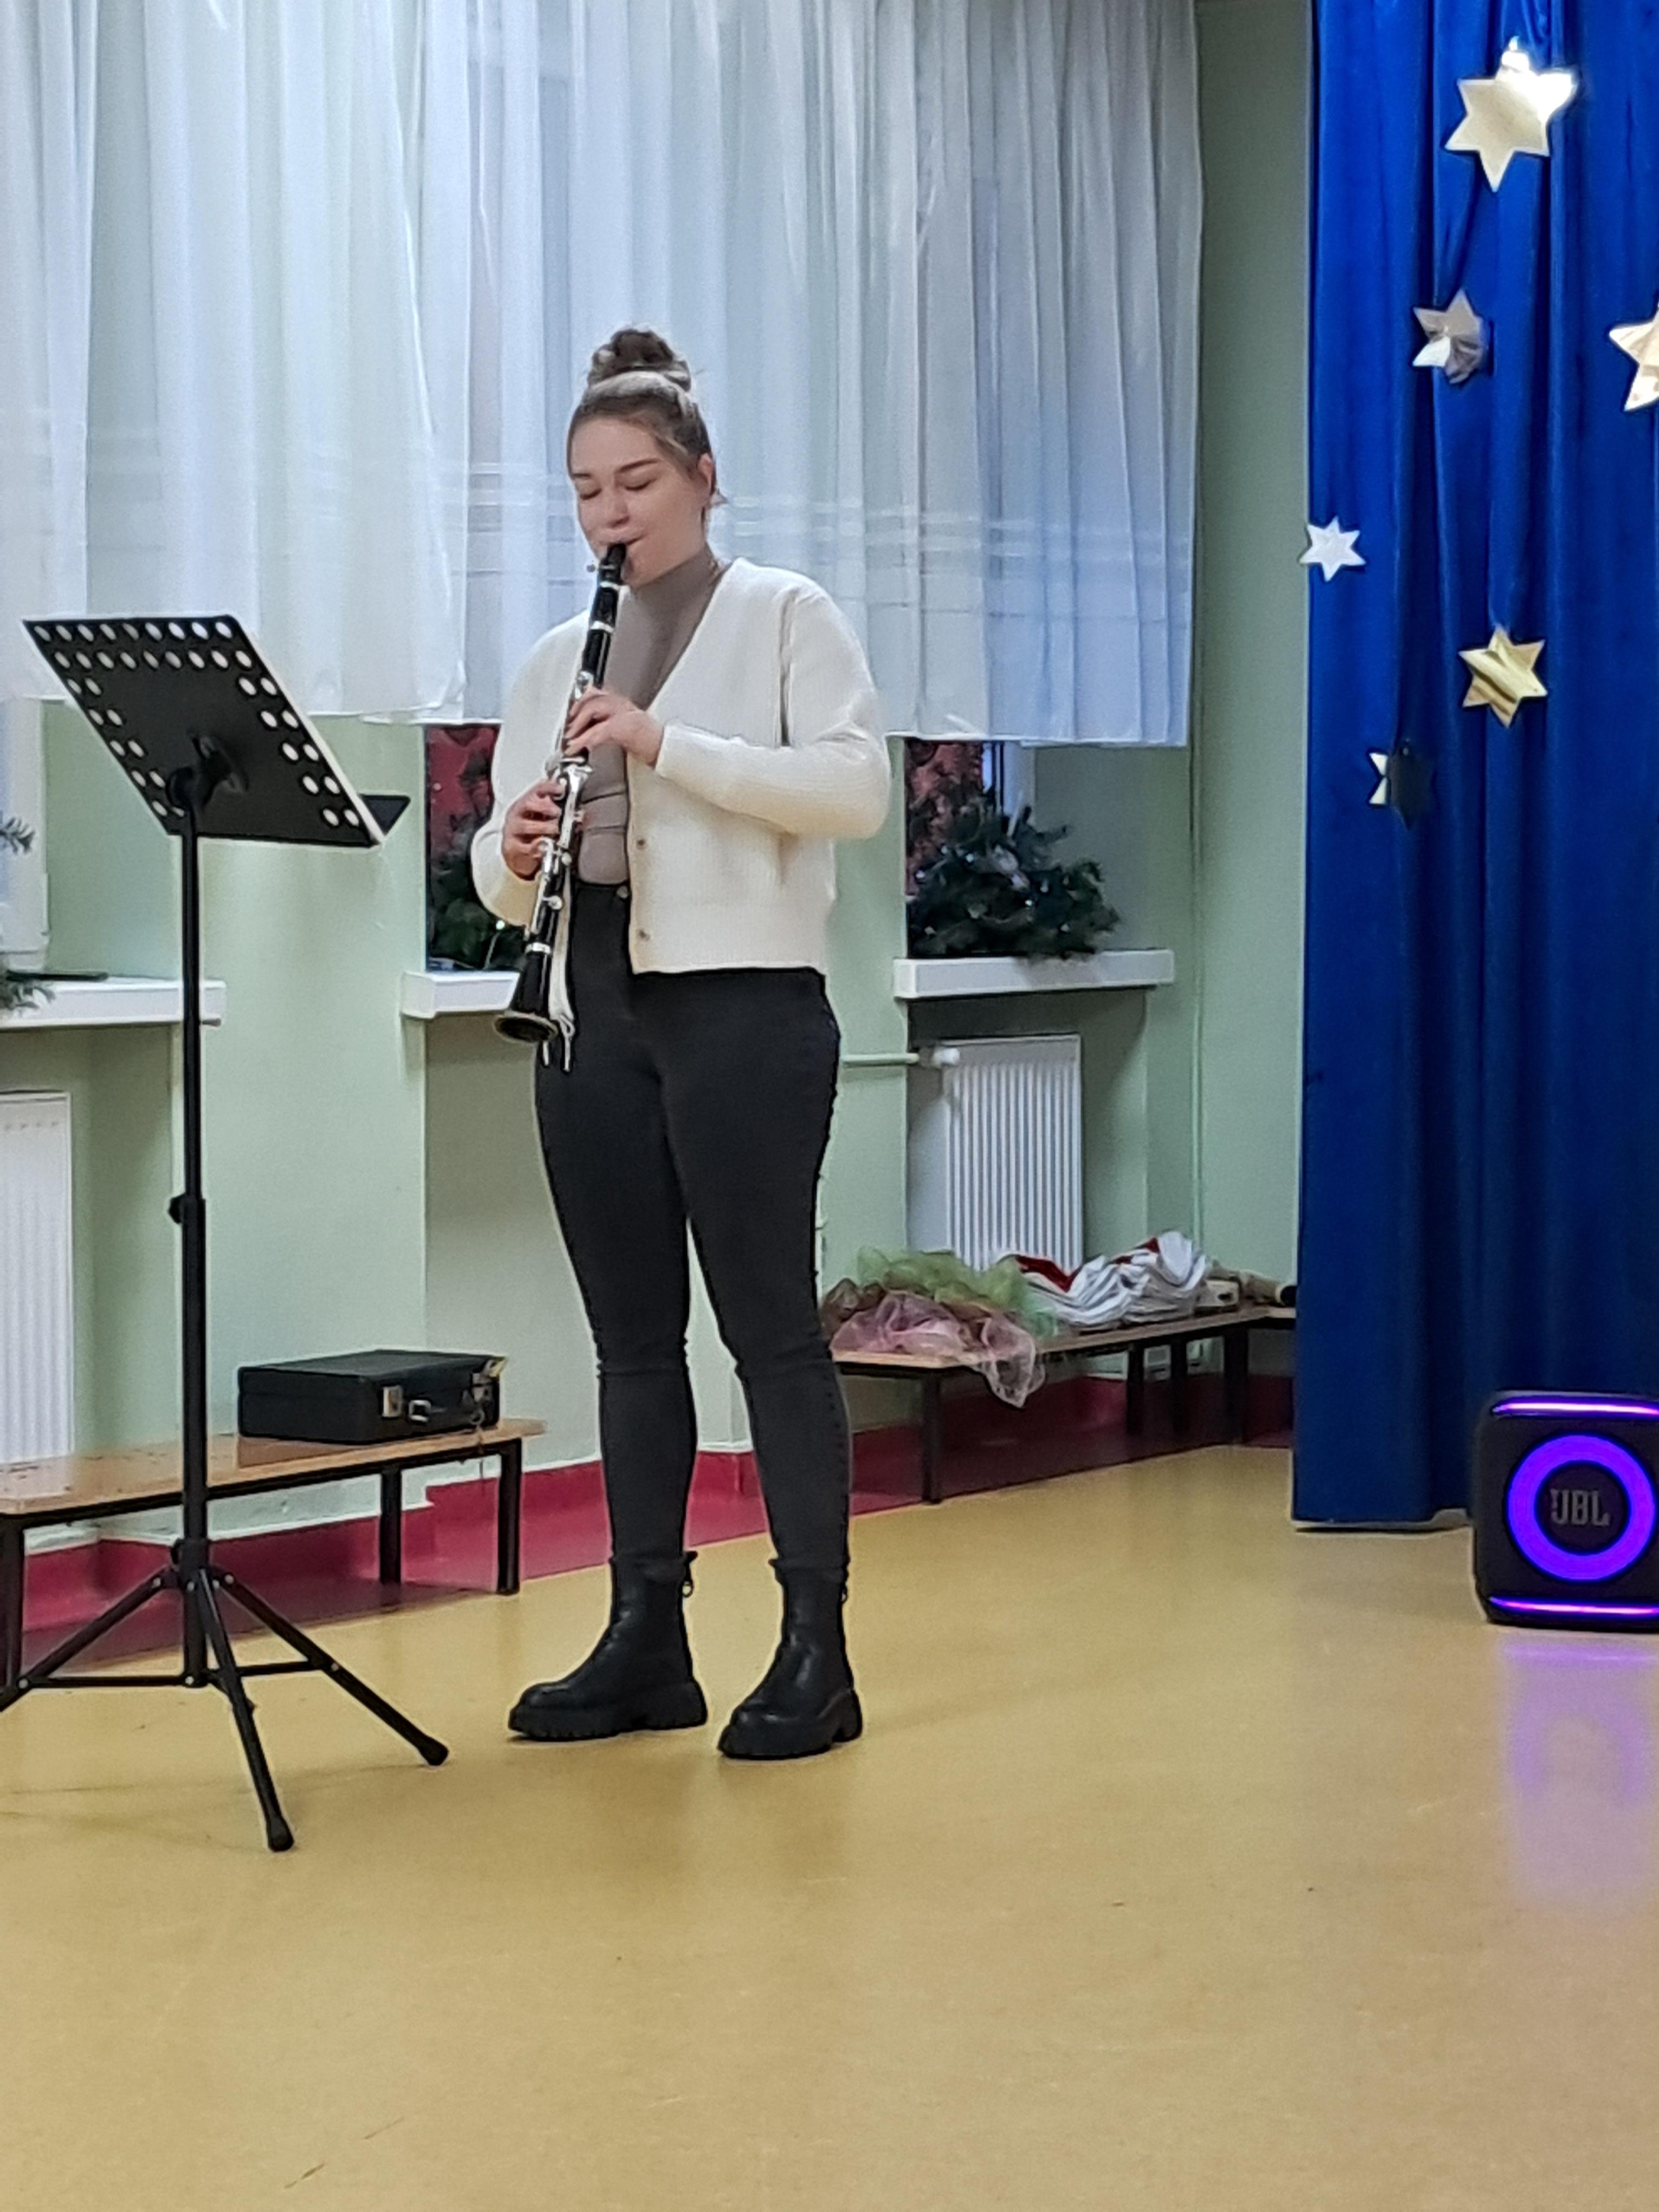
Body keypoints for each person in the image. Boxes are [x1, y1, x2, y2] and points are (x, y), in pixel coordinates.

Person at [473, 328, 890, 1760]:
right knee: (631, 1341)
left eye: (636, 482)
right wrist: (512, 843)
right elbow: (502, 878)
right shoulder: (553, 657)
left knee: (768, 1326)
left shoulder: (782, 614)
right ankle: (645, 1637)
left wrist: (662, 745)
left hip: (743, 1005)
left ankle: (816, 1648)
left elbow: (852, 792)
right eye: (586, 490)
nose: (610, 513)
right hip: (589, 1000)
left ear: (704, 477)